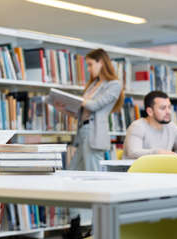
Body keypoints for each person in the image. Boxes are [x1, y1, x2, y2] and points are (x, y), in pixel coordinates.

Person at [54, 48, 123, 239]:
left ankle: (97, 226)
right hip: (83, 132)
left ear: (102, 62)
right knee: (71, 178)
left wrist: (81, 100)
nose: (89, 69)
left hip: (94, 135)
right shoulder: (92, 85)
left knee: (94, 182)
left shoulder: (113, 85)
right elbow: (82, 110)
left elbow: (94, 106)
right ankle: (75, 225)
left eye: (91, 64)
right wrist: (65, 108)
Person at [124, 90, 177, 159]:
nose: (168, 112)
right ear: (150, 111)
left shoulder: (171, 126)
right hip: (136, 175)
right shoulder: (137, 126)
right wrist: (158, 153)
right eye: (163, 108)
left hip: (160, 174)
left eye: (169, 107)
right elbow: (133, 152)